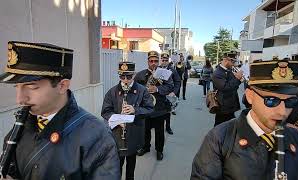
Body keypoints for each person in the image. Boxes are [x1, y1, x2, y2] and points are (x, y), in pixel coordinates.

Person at [0, 41, 120, 179]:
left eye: (32, 86)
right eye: (17, 87)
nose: (20, 99)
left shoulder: (97, 137)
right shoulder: (21, 127)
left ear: (62, 86)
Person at [191, 58, 298, 180]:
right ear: (250, 96)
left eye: (291, 101)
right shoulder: (218, 139)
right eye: (271, 100)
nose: (282, 112)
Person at [101, 62, 154, 180]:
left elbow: (150, 109)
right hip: (117, 135)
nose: (125, 80)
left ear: (134, 75)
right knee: (116, 168)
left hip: (134, 134)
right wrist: (116, 119)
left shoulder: (142, 90)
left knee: (131, 167)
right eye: (122, 77)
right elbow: (105, 111)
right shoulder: (112, 91)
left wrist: (135, 109)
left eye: (129, 77)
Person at [134, 51, 174, 160]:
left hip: (159, 108)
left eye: (156, 61)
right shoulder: (140, 74)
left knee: (159, 131)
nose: (153, 63)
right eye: (151, 61)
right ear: (148, 62)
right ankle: (145, 147)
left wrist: (157, 89)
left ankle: (159, 150)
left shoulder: (164, 73)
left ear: (158, 61)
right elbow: (134, 89)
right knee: (145, 130)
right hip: (145, 108)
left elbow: (170, 87)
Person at [212, 52, 243, 126]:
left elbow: (233, 86)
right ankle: (215, 137)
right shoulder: (218, 73)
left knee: (229, 126)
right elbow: (225, 88)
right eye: (232, 61)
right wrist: (237, 79)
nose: (233, 64)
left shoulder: (228, 70)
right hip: (223, 106)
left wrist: (237, 79)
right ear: (226, 60)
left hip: (229, 104)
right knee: (220, 126)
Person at [160, 52, 181, 134]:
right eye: (163, 60)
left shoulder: (172, 70)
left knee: (168, 112)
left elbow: (178, 81)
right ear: (161, 60)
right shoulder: (157, 69)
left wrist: (174, 92)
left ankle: (168, 127)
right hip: (159, 94)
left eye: (166, 60)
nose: (164, 62)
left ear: (168, 61)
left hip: (169, 94)